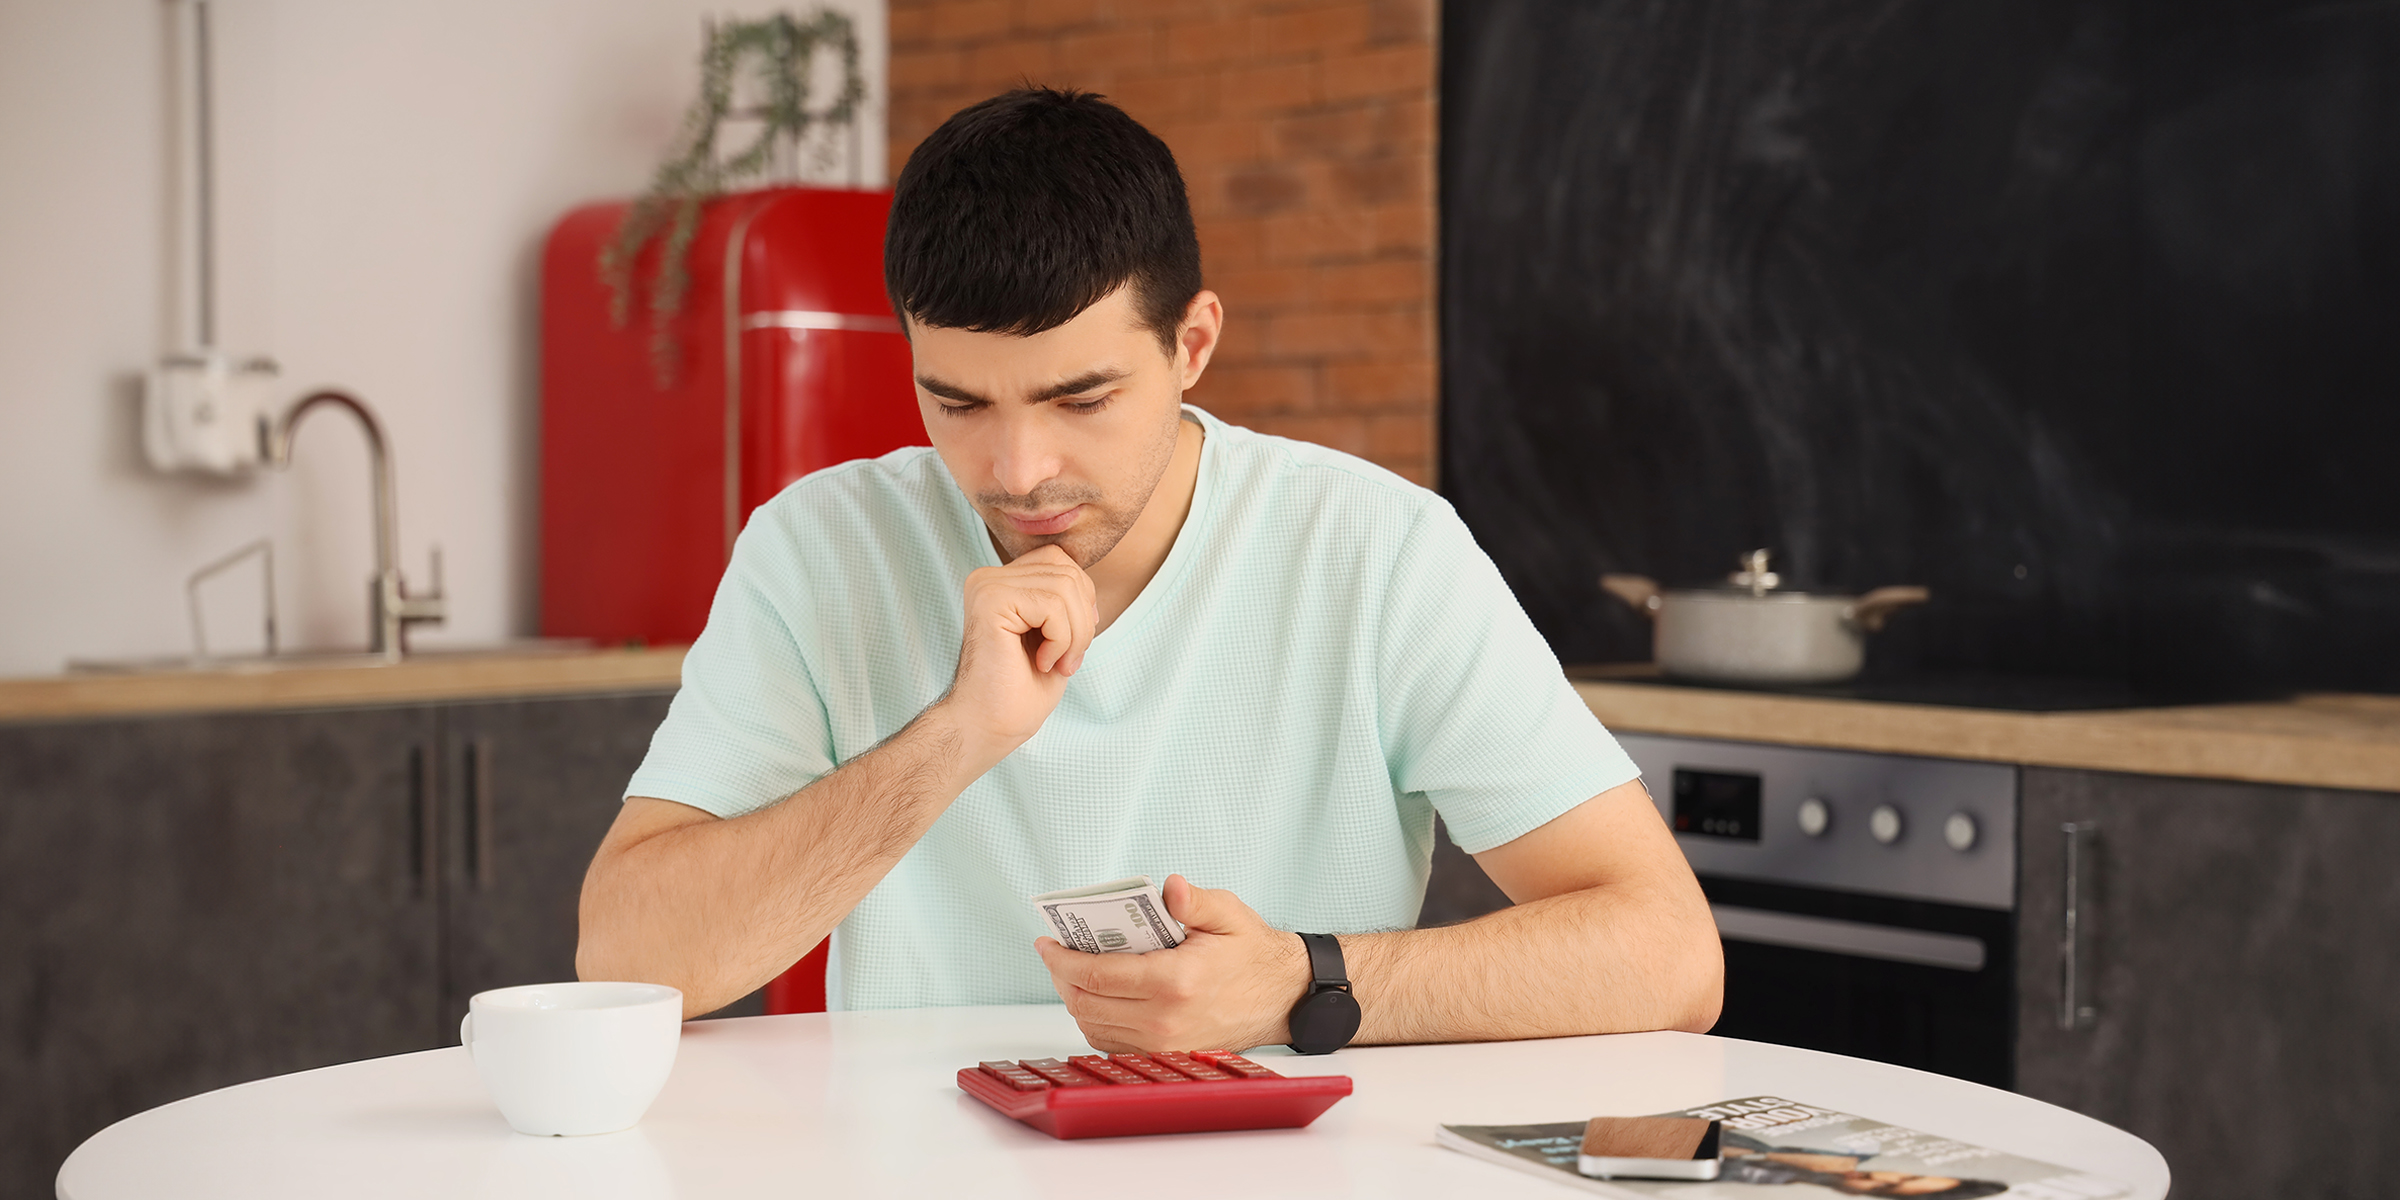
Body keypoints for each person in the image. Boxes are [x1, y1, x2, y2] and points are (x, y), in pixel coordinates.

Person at [575, 87, 1722, 1054]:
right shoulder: (819, 548)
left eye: (1082, 399)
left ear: (1193, 345)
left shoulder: (1376, 548)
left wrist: (1300, 980)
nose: (1018, 471)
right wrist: (956, 737)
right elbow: (629, 959)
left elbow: (1668, 955)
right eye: (956, 401)